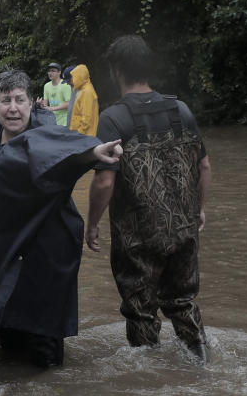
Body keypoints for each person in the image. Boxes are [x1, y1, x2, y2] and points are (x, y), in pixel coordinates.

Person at [0, 70, 122, 368]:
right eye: (5, 100)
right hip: (0, 255)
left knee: (44, 355)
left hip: (45, 253)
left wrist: (97, 150)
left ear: (31, 103)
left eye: (20, 100)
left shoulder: (49, 136)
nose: (13, 108)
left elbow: (77, 148)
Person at [87, 35, 211, 361]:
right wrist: (200, 210)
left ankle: (150, 383)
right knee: (183, 303)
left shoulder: (114, 118)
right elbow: (204, 166)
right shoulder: (180, 110)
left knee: (141, 312)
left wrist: (92, 225)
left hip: (137, 238)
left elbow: (103, 181)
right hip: (183, 230)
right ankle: (201, 361)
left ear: (116, 71)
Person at [69, 63, 99, 136]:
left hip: (85, 136)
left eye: (74, 76)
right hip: (80, 134)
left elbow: (87, 117)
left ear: (80, 76)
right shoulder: (82, 89)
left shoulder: (87, 92)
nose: (72, 79)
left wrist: (79, 133)